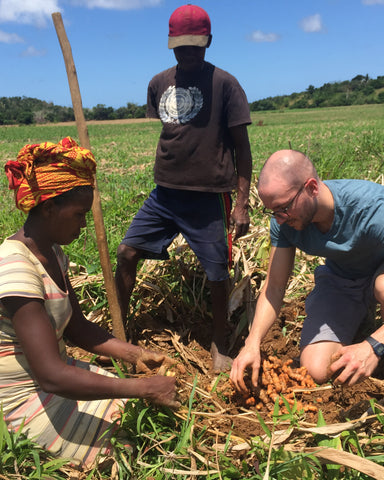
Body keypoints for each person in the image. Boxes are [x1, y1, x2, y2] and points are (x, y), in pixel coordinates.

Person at [0, 137, 179, 467]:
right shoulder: (15, 268)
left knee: (145, 418)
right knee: (132, 447)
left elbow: (77, 327)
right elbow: (50, 375)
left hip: (57, 378)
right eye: (80, 214)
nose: (84, 224)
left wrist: (134, 354)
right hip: (25, 400)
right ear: (49, 207)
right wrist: (143, 388)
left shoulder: (52, 253)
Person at [115, 4, 252, 372]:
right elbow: (171, 132)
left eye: (196, 45)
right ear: (170, 44)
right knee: (127, 253)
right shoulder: (159, 82)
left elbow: (242, 148)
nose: (188, 53)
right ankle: (118, 330)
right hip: (165, 195)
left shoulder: (226, 84)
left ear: (208, 42)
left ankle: (219, 343)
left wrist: (241, 204)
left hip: (209, 199)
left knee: (218, 276)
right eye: (181, 46)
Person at [230, 149, 384, 393]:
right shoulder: (285, 223)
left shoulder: (373, 209)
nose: (279, 219)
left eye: (284, 208)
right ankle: (361, 317)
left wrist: (374, 345)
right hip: (343, 278)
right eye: (272, 211)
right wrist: (252, 343)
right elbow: (275, 287)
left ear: (312, 187)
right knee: (317, 368)